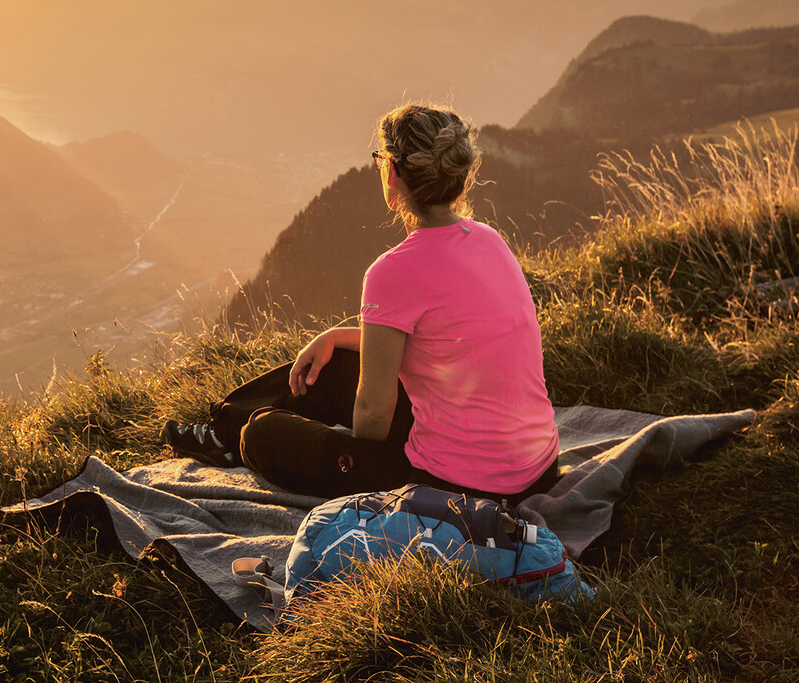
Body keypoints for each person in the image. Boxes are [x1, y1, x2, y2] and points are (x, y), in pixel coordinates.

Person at [162, 103, 560, 501]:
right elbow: (442, 340)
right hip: (538, 468)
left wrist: (337, 437)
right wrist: (337, 335)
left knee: (262, 434)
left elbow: (371, 423)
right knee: (330, 362)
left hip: (458, 486)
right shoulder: (488, 239)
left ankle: (236, 435)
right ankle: (222, 427)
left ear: (393, 172)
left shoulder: (393, 271)